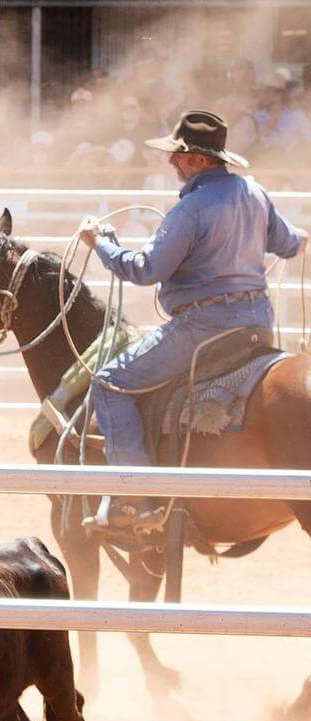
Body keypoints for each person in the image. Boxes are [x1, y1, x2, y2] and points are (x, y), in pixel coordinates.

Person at [78, 110, 309, 532]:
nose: (172, 164)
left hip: (205, 328)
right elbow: (288, 242)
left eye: (179, 156)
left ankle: (135, 501)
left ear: (199, 160)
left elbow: (145, 270)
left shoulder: (192, 208)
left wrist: (103, 244)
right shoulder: (254, 192)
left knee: (109, 383)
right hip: (256, 325)